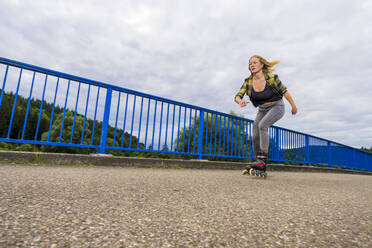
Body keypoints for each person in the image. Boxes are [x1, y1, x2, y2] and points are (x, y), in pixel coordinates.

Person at [234, 55, 297, 172]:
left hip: (277, 106)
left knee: (262, 125)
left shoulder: (271, 78)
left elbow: (285, 92)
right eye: (250, 63)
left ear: (261, 65)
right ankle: (257, 161)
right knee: (255, 131)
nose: (251, 65)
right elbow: (238, 95)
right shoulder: (248, 82)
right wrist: (240, 101)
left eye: (254, 62)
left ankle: (262, 160)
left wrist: (293, 106)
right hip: (262, 109)